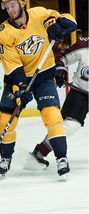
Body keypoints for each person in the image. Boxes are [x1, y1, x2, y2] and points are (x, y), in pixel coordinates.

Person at [0, 0, 77, 179]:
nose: (10, 9)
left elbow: (69, 20)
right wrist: (21, 87)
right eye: (7, 7)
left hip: (44, 76)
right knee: (6, 119)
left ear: (22, 4)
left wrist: (60, 26)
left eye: (13, 5)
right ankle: (5, 159)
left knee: (52, 115)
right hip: (17, 79)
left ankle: (62, 158)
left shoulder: (39, 13)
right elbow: (12, 64)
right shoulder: (3, 32)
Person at [26, 31, 89, 169]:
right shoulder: (84, 44)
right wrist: (60, 70)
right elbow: (61, 58)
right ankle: (40, 152)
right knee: (70, 126)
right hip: (82, 93)